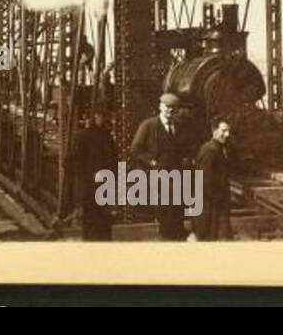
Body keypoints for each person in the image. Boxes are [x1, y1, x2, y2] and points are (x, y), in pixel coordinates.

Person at [129, 92, 189, 241]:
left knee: (177, 206)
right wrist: (151, 162)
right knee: (165, 207)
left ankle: (176, 236)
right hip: (157, 173)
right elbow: (135, 149)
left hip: (176, 174)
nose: (170, 110)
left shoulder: (179, 126)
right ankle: (167, 237)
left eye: (173, 108)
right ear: (160, 106)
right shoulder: (149, 125)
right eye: (167, 107)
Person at [71, 109, 116, 241]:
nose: (107, 119)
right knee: (93, 226)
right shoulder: (84, 136)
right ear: (96, 115)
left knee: (103, 227)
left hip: (103, 187)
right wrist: (91, 175)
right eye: (104, 115)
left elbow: (114, 162)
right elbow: (72, 162)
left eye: (108, 116)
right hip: (91, 189)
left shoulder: (107, 137)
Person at [191, 121, 233, 241]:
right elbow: (205, 181)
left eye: (228, 131)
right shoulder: (210, 150)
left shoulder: (218, 149)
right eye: (223, 131)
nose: (227, 134)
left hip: (213, 205)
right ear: (214, 131)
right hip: (209, 207)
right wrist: (219, 199)